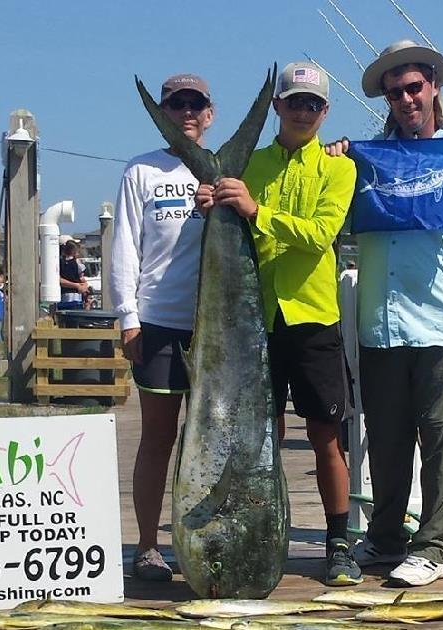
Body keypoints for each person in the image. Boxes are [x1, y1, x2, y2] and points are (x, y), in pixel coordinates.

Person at [326, 40, 443, 586]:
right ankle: (385, 537)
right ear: (386, 99)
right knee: (384, 441)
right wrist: (336, 164)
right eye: (395, 92)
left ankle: (433, 545)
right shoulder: (364, 159)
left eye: (414, 87)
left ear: (433, 86)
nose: (407, 98)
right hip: (382, 324)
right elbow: (336, 221)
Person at [196, 62, 361, 586]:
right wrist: (216, 204)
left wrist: (252, 210)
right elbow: (241, 223)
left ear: (325, 111)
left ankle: (338, 543)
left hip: (313, 317)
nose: (303, 111)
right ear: (277, 107)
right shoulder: (250, 165)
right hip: (255, 322)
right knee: (258, 435)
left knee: (325, 435)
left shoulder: (339, 169)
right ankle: (263, 528)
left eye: (313, 104)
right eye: (294, 101)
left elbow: (319, 235)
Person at [109, 72, 214, 582]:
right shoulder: (140, 171)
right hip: (157, 322)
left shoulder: (222, 173)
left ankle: (205, 542)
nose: (187, 112)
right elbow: (124, 247)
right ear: (164, 113)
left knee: (212, 442)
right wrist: (128, 318)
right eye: (177, 104)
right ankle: (149, 546)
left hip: (214, 329)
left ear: (209, 114)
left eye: (196, 104)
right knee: (158, 438)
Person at [58, 238, 88, 311]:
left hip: (63, 295)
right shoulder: (77, 263)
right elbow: (81, 277)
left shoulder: (60, 262)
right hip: (75, 296)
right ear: (75, 251)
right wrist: (82, 284)